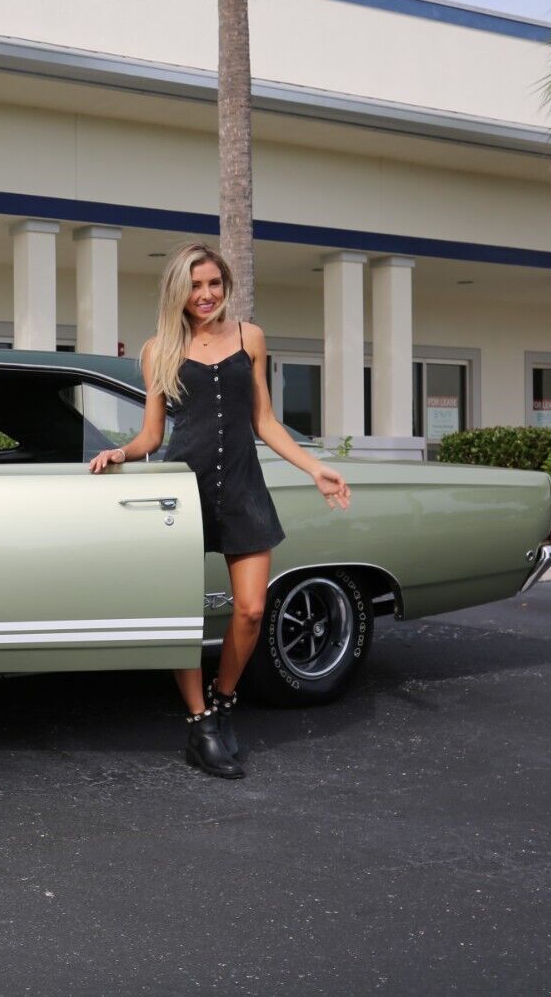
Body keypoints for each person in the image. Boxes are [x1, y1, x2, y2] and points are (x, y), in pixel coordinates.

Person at [90, 242, 351, 779]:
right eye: (195, 285)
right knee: (184, 616)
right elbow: (152, 434)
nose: (206, 294)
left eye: (213, 284)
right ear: (178, 291)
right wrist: (121, 452)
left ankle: (223, 701)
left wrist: (314, 468)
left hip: (242, 487)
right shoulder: (158, 348)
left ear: (224, 286)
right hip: (182, 490)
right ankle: (200, 723)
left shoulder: (249, 338)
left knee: (252, 610)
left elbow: (266, 422)